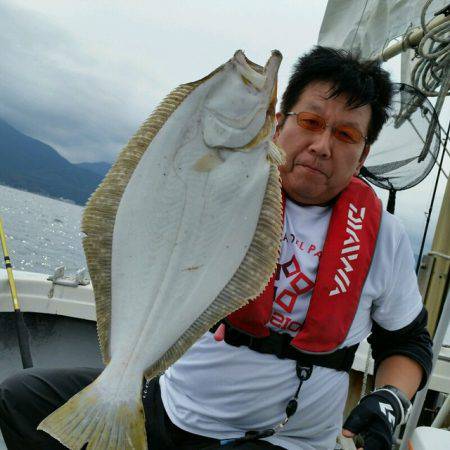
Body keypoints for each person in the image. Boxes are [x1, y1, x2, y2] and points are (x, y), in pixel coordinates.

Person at [0, 46, 433, 450]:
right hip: (172, 405)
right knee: (16, 397)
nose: (322, 147)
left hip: (283, 439)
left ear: (362, 156)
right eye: (311, 122)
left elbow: (408, 341)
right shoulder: (224, 190)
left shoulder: (383, 238)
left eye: (344, 134)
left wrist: (391, 399)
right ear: (278, 123)